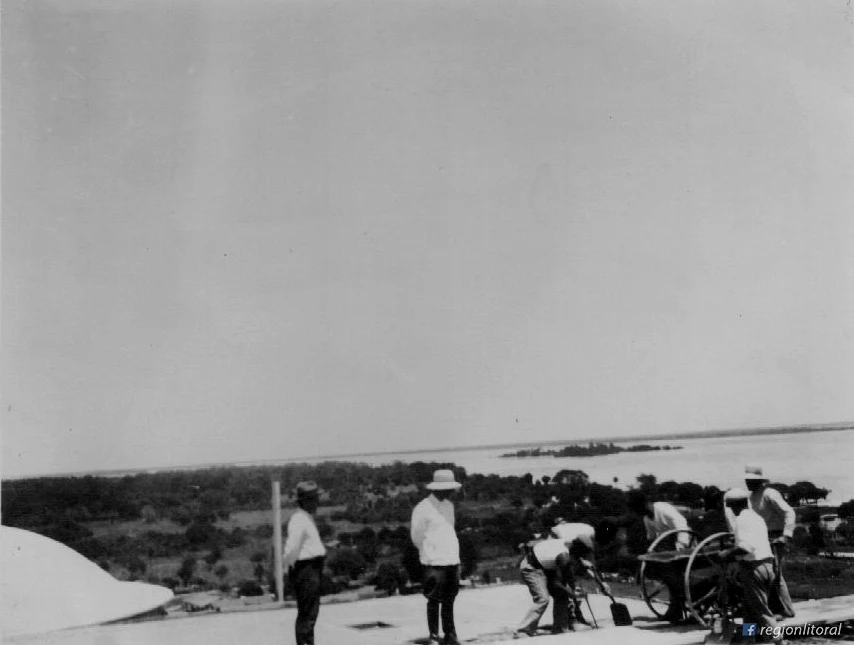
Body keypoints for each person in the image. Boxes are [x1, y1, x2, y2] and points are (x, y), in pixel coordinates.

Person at [719, 488, 784, 645]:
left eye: (731, 507)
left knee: (761, 610)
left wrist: (726, 553)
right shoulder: (757, 518)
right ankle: (749, 639)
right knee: (749, 608)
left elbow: (745, 548)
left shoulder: (741, 520)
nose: (731, 511)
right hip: (767, 565)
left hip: (753, 568)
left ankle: (778, 640)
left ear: (735, 505)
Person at [411, 469, 463, 645]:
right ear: (437, 488)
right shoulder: (422, 508)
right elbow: (417, 537)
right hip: (434, 562)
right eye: (448, 488)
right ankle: (433, 636)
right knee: (433, 599)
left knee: (450, 599)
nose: (451, 491)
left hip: (452, 560)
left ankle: (450, 635)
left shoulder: (449, 506)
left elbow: (449, 531)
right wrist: (429, 553)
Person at [626, 490, 691, 623]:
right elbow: (652, 538)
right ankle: (676, 606)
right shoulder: (647, 518)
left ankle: (679, 601)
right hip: (668, 548)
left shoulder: (662, 509)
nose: (637, 513)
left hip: (684, 542)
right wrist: (650, 554)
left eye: (637, 509)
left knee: (668, 570)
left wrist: (681, 544)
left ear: (644, 504)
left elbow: (681, 524)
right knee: (661, 567)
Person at [744, 465, 796, 618]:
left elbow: (789, 512)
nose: (748, 483)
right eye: (747, 480)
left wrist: (786, 535)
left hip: (775, 538)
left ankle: (786, 610)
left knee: (775, 573)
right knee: (764, 574)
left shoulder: (769, 494)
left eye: (751, 480)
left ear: (760, 481)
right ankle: (772, 609)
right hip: (760, 539)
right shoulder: (751, 497)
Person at [283, 481, 327, 645]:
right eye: (315, 499)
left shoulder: (306, 518)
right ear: (306, 501)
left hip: (312, 569)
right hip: (306, 570)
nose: (317, 503)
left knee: (310, 614)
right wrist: (290, 569)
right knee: (307, 615)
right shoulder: (298, 520)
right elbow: (291, 549)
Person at [550, 519, 617, 623]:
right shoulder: (584, 536)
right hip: (556, 542)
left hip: (568, 545)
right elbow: (566, 550)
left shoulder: (590, 537)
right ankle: (571, 618)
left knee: (577, 585)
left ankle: (576, 615)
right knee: (568, 584)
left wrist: (602, 584)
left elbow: (592, 566)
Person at [513, 537, 580, 637]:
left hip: (546, 567)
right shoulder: (564, 556)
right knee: (543, 598)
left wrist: (575, 588)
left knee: (562, 594)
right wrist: (572, 593)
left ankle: (560, 627)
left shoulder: (567, 550)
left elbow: (569, 577)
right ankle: (523, 630)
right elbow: (557, 583)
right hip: (531, 567)